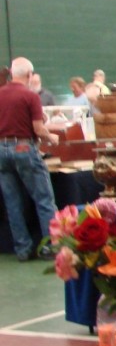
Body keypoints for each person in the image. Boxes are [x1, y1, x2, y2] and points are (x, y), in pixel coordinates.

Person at [0, 57, 60, 262]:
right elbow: (38, 129)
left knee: (13, 203)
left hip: (1, 150)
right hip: (24, 148)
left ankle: (22, 249)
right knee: (44, 200)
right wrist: (51, 137)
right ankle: (50, 247)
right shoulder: (31, 96)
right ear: (29, 75)